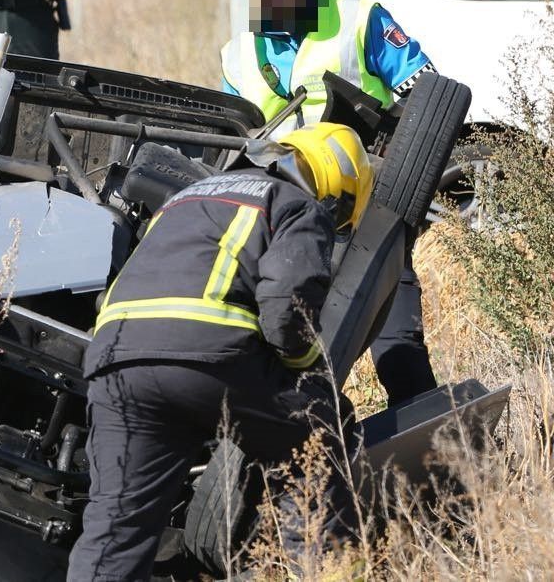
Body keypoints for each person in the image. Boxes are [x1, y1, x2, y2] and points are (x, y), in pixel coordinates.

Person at [67, 123, 371, 581]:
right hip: (208, 354)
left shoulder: (186, 196)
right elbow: (287, 309)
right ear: (335, 189)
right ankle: (323, 570)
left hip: (115, 359)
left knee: (115, 529)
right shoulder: (295, 205)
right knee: (317, 440)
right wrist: (309, 371)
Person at [221, 0, 437, 407]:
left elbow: (426, 95)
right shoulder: (239, 55)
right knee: (283, 342)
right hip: (281, 216)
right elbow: (227, 139)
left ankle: (429, 439)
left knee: (397, 341)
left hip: (370, 205)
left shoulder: (359, 19)